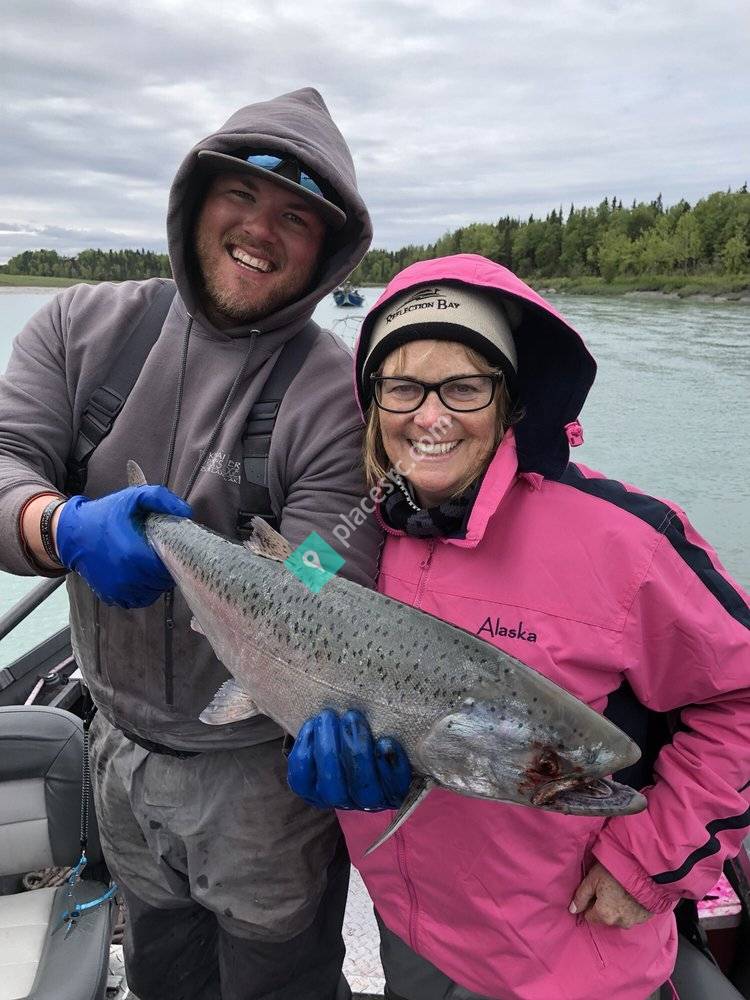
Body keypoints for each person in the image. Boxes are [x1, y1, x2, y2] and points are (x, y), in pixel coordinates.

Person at [0, 88, 382, 1000]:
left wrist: (283, 600)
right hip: (117, 746)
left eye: (296, 216)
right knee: (165, 969)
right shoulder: (78, 327)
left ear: (328, 251)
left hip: (261, 779)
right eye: (241, 196)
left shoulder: (337, 396)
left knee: (277, 978)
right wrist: (57, 525)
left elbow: (325, 564)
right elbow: (7, 460)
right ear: (195, 198)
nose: (262, 229)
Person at [288, 254, 750, 1000]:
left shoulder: (629, 540)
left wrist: (649, 864)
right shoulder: (354, 527)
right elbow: (279, 596)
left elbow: (741, 700)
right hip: (411, 930)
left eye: (463, 387)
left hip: (568, 956)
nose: (429, 417)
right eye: (402, 387)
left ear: (510, 399)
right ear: (372, 401)